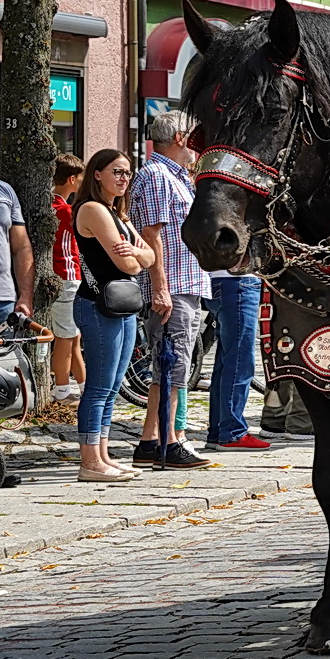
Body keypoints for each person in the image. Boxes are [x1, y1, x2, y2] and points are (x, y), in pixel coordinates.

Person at [128, 111, 211, 470]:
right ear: (179, 137)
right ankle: (168, 441)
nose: (197, 144)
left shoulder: (176, 176)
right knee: (171, 364)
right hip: (173, 285)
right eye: (193, 136)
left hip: (185, 282)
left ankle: (152, 439)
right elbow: (152, 235)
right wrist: (159, 287)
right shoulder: (158, 176)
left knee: (175, 365)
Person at [72, 149, 156, 481]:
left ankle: (103, 455)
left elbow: (145, 255)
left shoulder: (117, 213)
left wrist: (136, 253)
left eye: (127, 173)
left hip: (119, 303)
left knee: (112, 386)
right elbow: (127, 265)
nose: (123, 178)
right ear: (97, 174)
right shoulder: (93, 209)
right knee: (99, 385)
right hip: (97, 303)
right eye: (116, 172)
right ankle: (89, 461)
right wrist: (137, 256)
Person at [202, 264, 269, 451]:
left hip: (221, 281)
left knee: (225, 363)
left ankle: (218, 431)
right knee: (240, 362)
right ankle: (232, 431)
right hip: (239, 281)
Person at [49, 154, 87, 400]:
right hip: (67, 274)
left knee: (73, 336)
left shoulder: (52, 205)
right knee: (65, 336)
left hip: (65, 275)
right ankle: (61, 389)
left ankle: (84, 386)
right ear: (72, 180)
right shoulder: (64, 210)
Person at [0, 140, 36, 335]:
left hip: (1, 302)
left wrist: (25, 296)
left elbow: (21, 247)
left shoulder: (4, 191)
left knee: (3, 365)